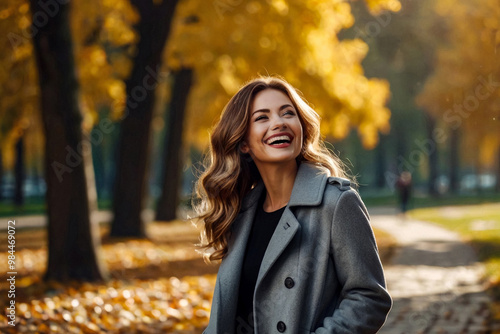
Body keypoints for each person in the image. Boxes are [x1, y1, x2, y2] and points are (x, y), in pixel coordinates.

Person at [192, 76, 392, 334]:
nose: (278, 123)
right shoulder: (239, 215)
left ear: (301, 128)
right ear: (243, 143)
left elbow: (369, 297)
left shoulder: (336, 203)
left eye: (288, 113)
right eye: (262, 118)